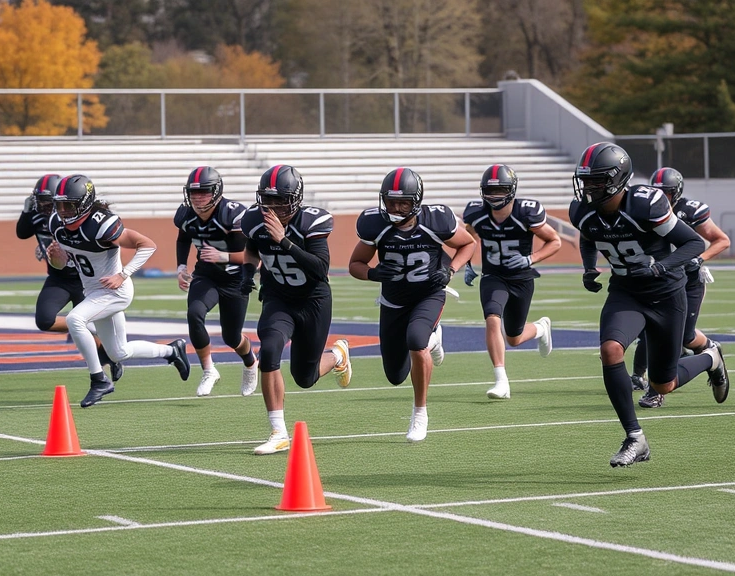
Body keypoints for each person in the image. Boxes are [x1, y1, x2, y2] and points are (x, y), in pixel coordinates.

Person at [571, 143, 729, 467]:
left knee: (663, 384)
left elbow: (694, 242)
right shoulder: (583, 211)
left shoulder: (645, 204)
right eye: (585, 181)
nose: (588, 188)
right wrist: (589, 266)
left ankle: (711, 358)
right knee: (611, 349)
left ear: (616, 180)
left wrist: (662, 265)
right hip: (625, 292)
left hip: (667, 295)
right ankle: (635, 437)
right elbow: (588, 236)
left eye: (596, 181)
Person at [349, 167, 476, 441]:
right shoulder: (375, 225)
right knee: (395, 375)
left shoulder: (436, 220)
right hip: (393, 301)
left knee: (416, 340)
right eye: (390, 201)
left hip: (428, 294)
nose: (395, 208)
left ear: (416, 201)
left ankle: (420, 414)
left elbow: (468, 244)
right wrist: (372, 273)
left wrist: (451, 269)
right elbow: (354, 264)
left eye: (402, 202)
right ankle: (434, 340)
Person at [46, 175, 191, 408]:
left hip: (115, 291)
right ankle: (172, 351)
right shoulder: (56, 223)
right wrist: (56, 259)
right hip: (95, 293)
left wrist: (123, 274)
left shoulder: (100, 224)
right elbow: (63, 265)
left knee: (75, 319)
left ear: (83, 203)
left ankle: (98, 380)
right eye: (59, 205)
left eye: (68, 205)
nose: (63, 211)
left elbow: (148, 244)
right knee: (118, 352)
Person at [240, 165, 351, 455]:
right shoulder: (254, 219)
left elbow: (320, 269)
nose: (274, 207)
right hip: (278, 298)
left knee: (306, 377)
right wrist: (247, 272)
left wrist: (284, 241)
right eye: (269, 200)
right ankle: (278, 432)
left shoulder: (311, 223)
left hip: (313, 300)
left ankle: (338, 354)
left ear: (296, 198)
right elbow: (252, 248)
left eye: (281, 200)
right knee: (270, 349)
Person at [633, 167, 731, 408]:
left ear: (676, 193)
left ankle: (709, 355)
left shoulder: (689, 210)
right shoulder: (642, 207)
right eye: (656, 191)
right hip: (659, 279)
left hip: (687, 280)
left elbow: (722, 240)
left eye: (665, 192)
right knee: (654, 328)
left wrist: (700, 258)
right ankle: (643, 378)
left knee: (682, 336)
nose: (660, 197)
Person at [462, 164, 561, 399]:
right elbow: (466, 239)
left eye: (501, 190)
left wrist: (531, 259)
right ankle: (501, 381)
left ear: (512, 190)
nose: (495, 196)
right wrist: (466, 264)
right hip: (493, 276)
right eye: (491, 191)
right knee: (492, 319)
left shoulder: (526, 213)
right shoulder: (477, 213)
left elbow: (554, 241)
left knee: (514, 338)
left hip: (521, 279)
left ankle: (540, 328)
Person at [16, 174, 123, 382]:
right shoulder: (41, 217)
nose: (47, 208)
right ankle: (103, 347)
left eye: (50, 203)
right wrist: (26, 210)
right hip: (59, 278)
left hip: (86, 280)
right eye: (42, 202)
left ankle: (107, 361)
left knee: (87, 327)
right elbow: (22, 233)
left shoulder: (76, 218)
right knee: (45, 320)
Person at [174, 166, 258, 396]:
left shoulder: (233, 213)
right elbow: (183, 239)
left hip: (235, 280)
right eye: (194, 192)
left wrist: (223, 256)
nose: (198, 198)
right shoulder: (185, 215)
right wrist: (181, 266)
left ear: (217, 192)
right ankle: (209, 370)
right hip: (206, 276)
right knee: (194, 313)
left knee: (231, 337)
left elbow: (253, 255)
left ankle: (251, 363)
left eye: (204, 192)